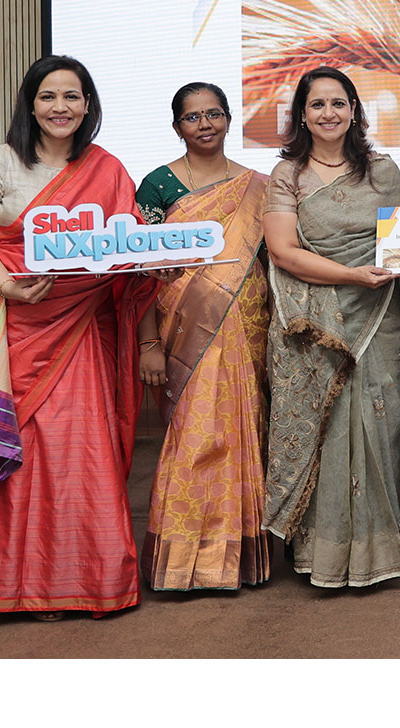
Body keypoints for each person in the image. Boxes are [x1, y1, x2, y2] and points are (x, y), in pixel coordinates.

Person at [0, 55, 154, 619]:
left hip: (82, 331)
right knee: (15, 454)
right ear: (30, 104)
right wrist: (11, 287)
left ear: (88, 105)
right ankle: (13, 584)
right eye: (48, 97)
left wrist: (163, 258)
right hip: (14, 329)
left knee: (81, 452)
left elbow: (131, 249)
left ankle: (86, 580)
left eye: (72, 97)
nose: (60, 108)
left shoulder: (109, 169)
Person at [261, 66, 400, 588]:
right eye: (317, 105)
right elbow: (283, 252)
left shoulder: (383, 170)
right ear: (302, 114)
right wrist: (350, 275)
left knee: (379, 424)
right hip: (316, 323)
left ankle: (375, 548)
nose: (329, 113)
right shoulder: (286, 175)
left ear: (355, 110)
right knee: (328, 428)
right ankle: (323, 552)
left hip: (379, 317)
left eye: (339, 103)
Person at [135, 81, 272, 591]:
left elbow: (270, 265)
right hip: (182, 327)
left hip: (247, 323)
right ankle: (183, 562)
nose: (205, 124)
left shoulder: (259, 185)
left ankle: (235, 557)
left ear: (229, 119)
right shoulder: (157, 187)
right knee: (194, 434)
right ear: (177, 127)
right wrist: (148, 344)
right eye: (193, 117)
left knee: (241, 431)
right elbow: (140, 273)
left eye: (214, 114)